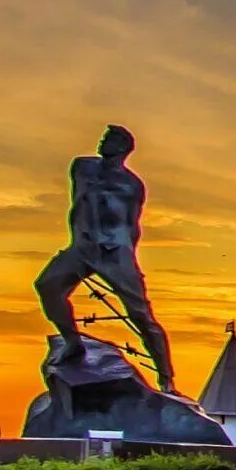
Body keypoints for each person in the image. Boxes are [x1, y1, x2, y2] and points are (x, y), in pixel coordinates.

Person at [34, 125, 176, 392]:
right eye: (103, 137)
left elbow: (132, 224)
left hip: (114, 251)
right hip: (83, 246)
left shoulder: (131, 185)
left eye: (109, 139)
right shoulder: (83, 167)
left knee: (140, 314)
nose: (102, 141)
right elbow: (80, 202)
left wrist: (125, 256)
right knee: (48, 286)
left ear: (122, 148)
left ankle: (166, 377)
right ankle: (72, 341)